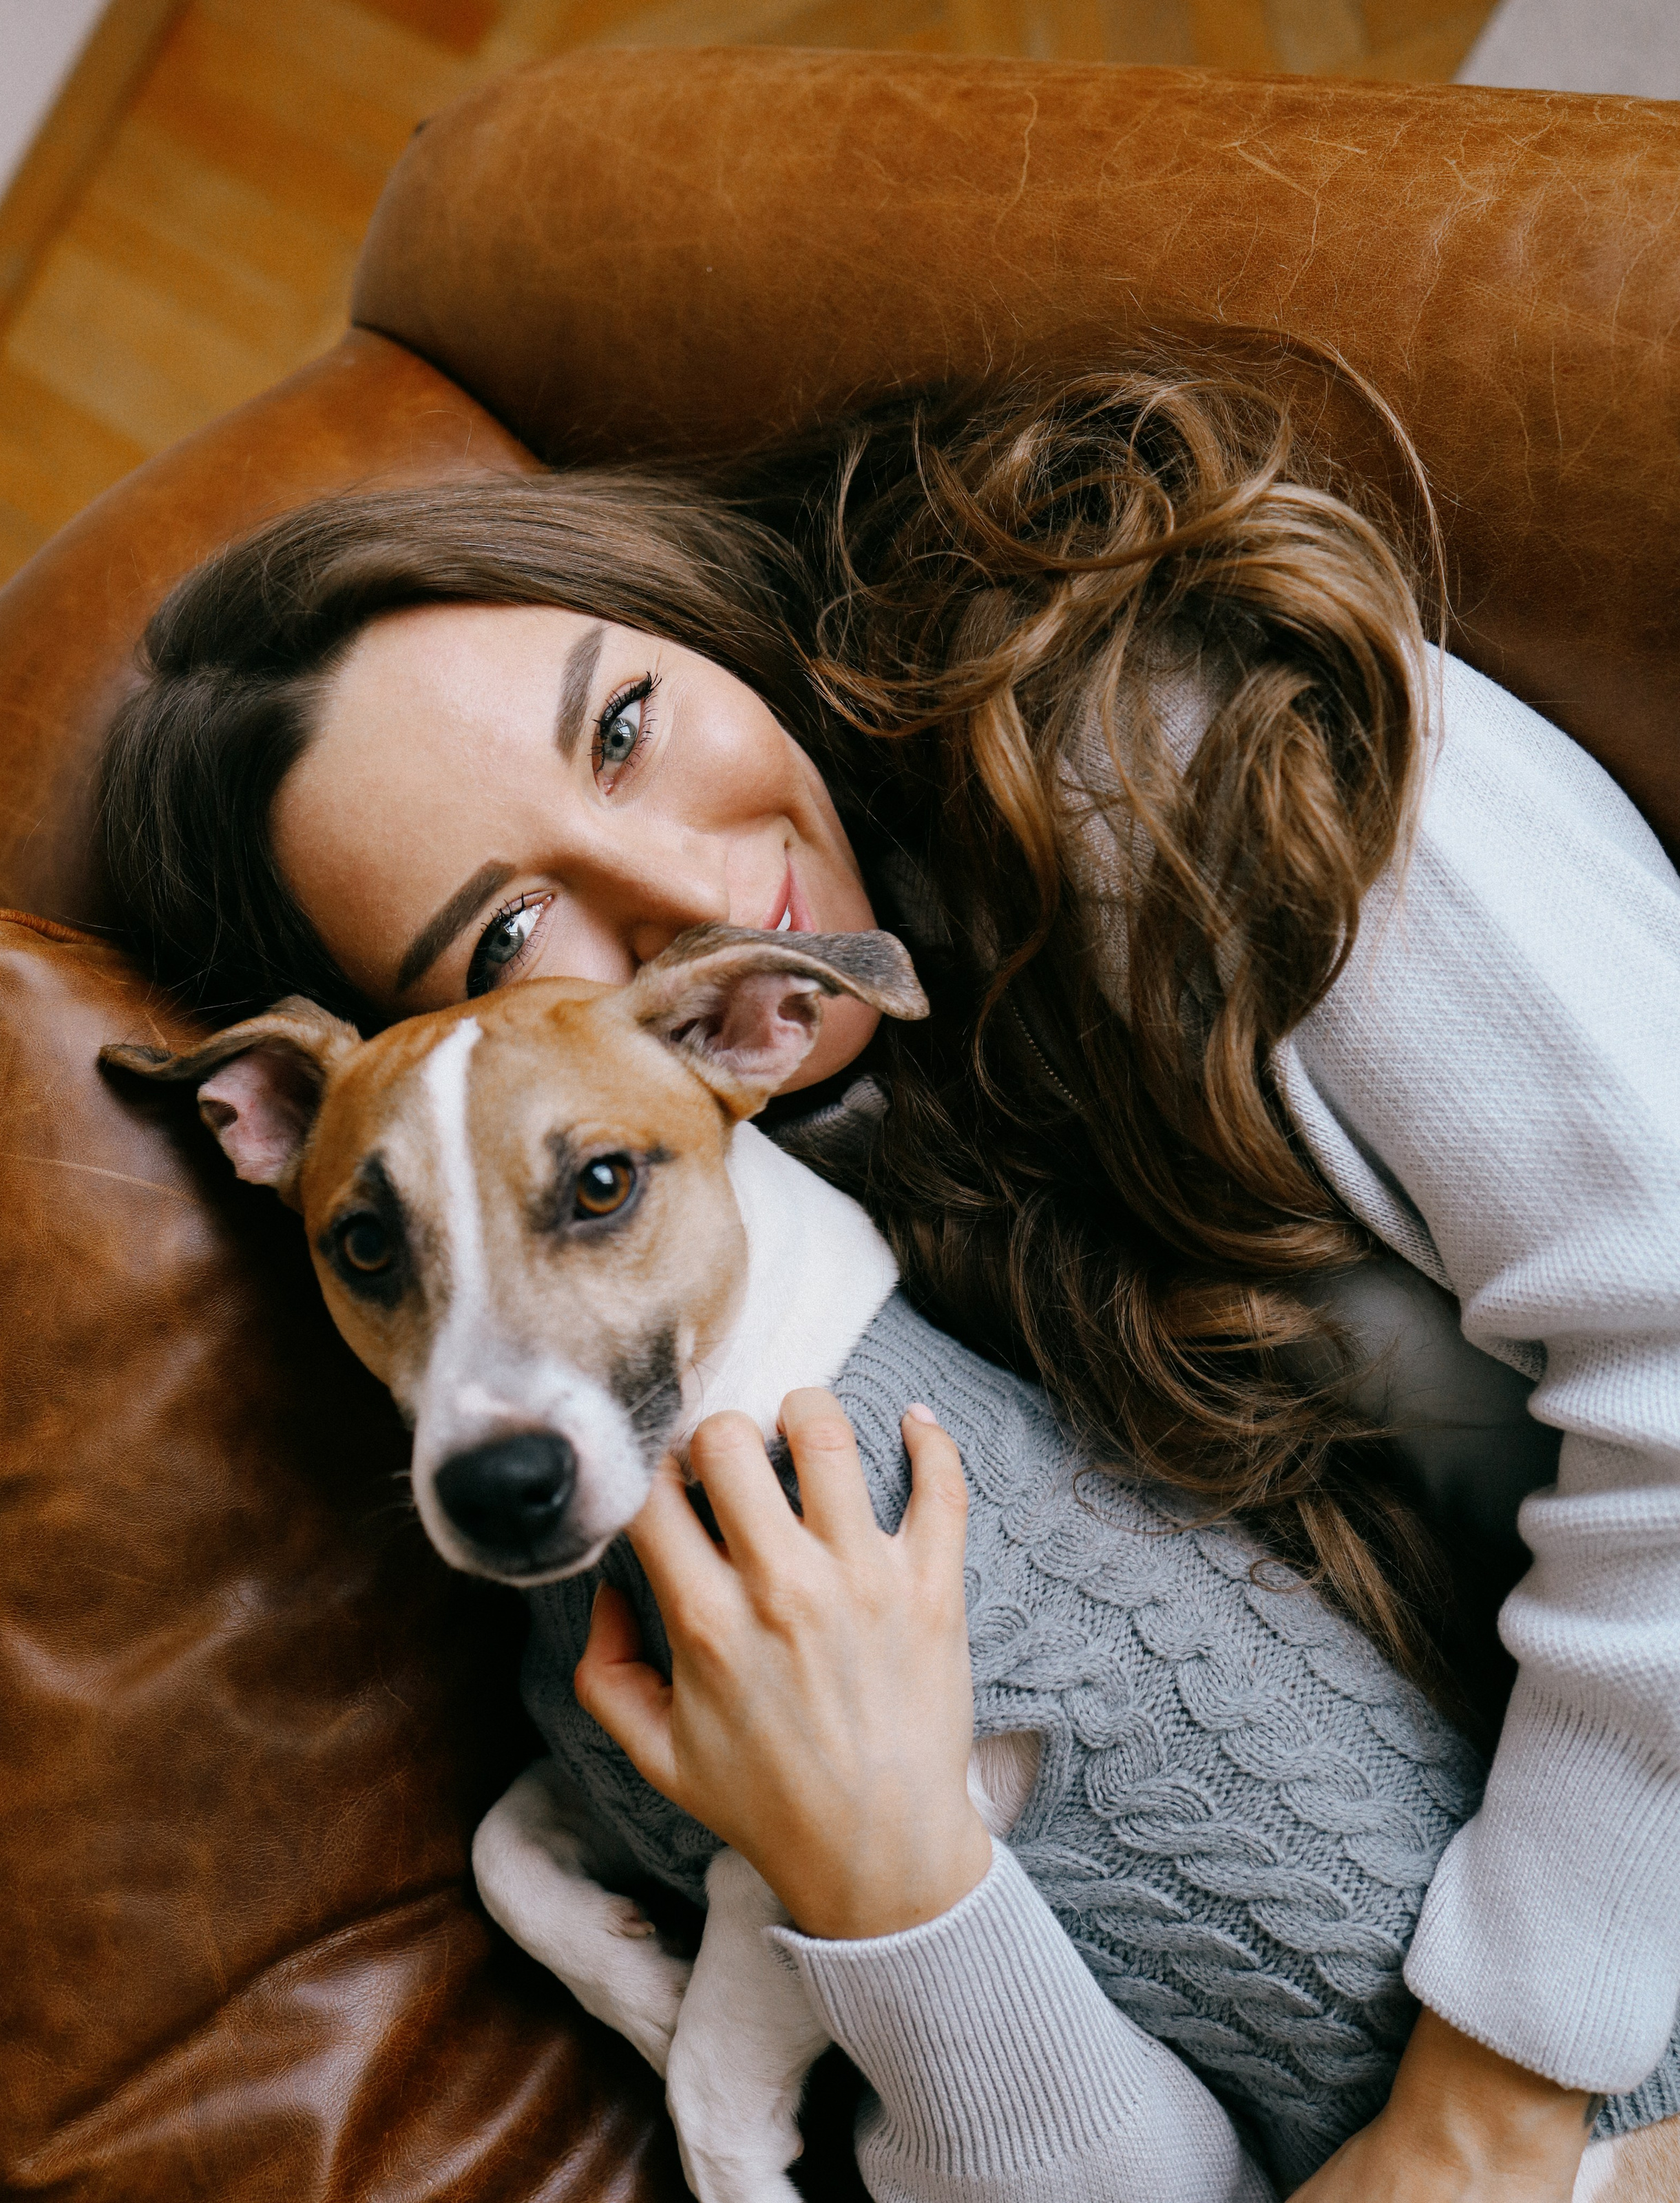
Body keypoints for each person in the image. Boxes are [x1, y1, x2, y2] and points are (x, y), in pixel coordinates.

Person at [96, 357, 1680, 2200]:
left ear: (659, 602)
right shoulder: (808, 1226)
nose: (683, 887)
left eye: (620, 730)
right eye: (510, 937)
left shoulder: (1174, 751)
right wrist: (894, 1892)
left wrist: (1490, 2101)